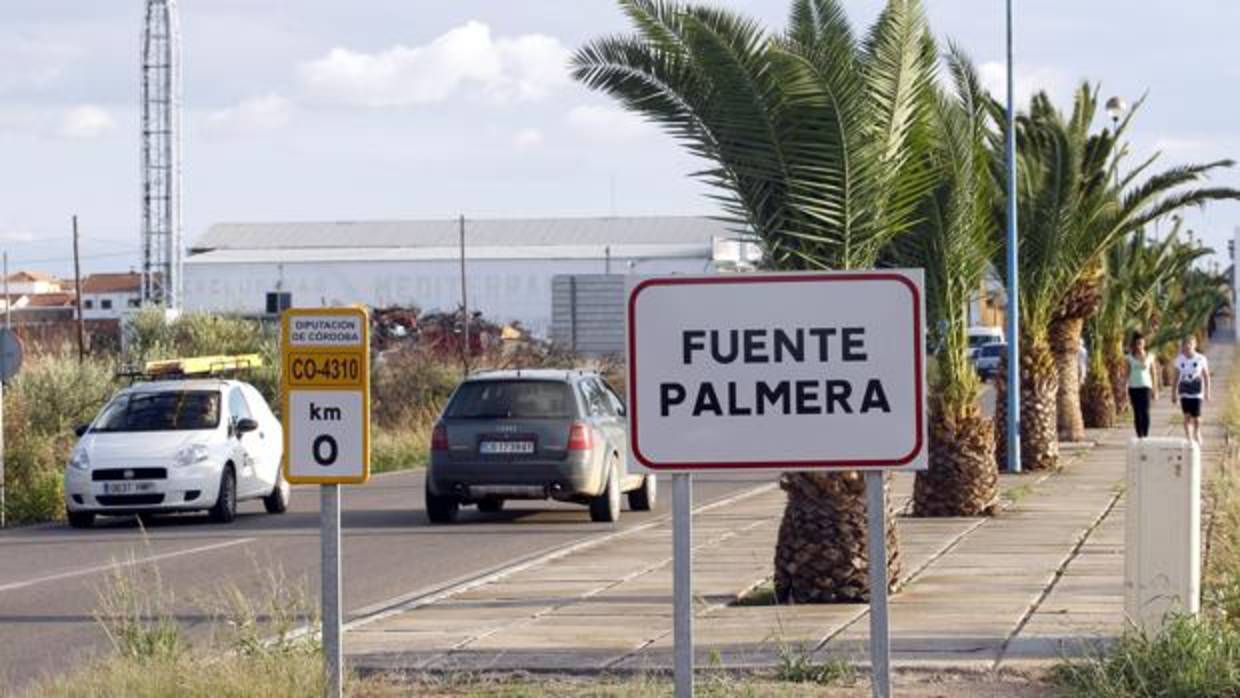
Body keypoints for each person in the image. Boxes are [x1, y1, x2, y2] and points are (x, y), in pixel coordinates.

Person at [1172, 335, 1211, 445]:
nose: (1188, 346)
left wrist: (1208, 392)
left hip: (1197, 391)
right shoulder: (1179, 359)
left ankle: (1197, 431)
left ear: (1195, 345)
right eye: (1186, 344)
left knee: (1197, 418)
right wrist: (1173, 393)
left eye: (1190, 344)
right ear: (1183, 346)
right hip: (1184, 391)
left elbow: (1206, 376)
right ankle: (1189, 438)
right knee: (1187, 417)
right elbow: (1175, 377)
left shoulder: (1201, 359)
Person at [1126, 332, 1158, 438]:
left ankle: (1145, 434)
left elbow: (1154, 373)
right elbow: (1127, 373)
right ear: (1134, 344)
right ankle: (1139, 435)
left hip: (1146, 386)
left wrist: (1155, 389)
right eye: (1137, 343)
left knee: (1145, 411)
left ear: (1144, 344)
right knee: (1137, 412)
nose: (1139, 345)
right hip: (1133, 387)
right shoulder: (1129, 357)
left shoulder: (1150, 356)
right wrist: (1124, 387)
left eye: (1141, 343)